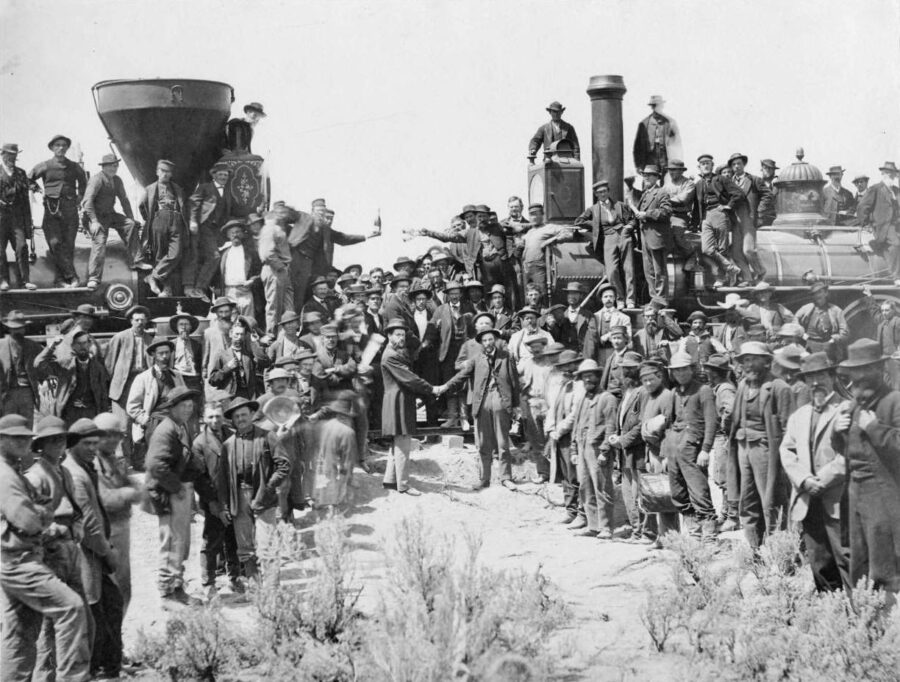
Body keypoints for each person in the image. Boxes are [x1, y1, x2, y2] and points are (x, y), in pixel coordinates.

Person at [0, 414, 91, 682]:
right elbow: (27, 519)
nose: (22, 443)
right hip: (19, 560)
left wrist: (39, 511)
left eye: (24, 438)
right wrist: (42, 514)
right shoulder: (7, 476)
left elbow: (38, 509)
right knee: (71, 608)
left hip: (18, 558)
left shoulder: (14, 471)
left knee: (19, 634)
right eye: (15, 438)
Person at [832, 339, 900, 598]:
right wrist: (837, 433)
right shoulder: (853, 404)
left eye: (866, 368)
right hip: (855, 494)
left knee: (885, 566)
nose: (859, 376)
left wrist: (874, 429)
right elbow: (846, 449)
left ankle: (888, 627)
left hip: (885, 497)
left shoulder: (894, 401)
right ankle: (862, 621)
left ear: (878, 369)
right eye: (855, 371)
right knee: (858, 562)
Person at [779, 352, 850, 592]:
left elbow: (852, 453)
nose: (816, 382)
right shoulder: (799, 416)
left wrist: (824, 479)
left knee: (846, 557)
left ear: (831, 375)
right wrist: (804, 480)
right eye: (810, 377)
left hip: (839, 498)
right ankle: (829, 611)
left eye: (820, 375)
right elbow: (787, 451)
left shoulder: (846, 409)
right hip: (808, 497)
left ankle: (858, 613)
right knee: (819, 560)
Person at [24, 416, 88, 681]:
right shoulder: (34, 477)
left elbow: (75, 507)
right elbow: (25, 522)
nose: (59, 445)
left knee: (76, 616)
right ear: (41, 445)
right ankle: (44, 676)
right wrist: (52, 532)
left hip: (70, 548)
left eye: (62, 440)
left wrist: (79, 526)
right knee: (48, 623)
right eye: (53, 441)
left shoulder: (64, 472)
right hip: (48, 551)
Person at [143, 386, 219, 606]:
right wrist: (176, 489)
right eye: (183, 405)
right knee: (171, 544)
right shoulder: (165, 430)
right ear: (172, 408)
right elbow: (155, 464)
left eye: (190, 405)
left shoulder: (180, 426)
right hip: (167, 494)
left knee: (180, 544)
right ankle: (168, 594)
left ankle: (177, 587)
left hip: (177, 491)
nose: (188, 409)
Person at [63, 418, 125, 679]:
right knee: (95, 612)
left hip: (94, 553)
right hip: (87, 555)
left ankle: (110, 665)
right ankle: (94, 668)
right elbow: (88, 523)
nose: (93, 448)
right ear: (73, 445)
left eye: (95, 443)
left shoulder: (85, 466)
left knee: (110, 605)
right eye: (87, 443)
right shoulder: (75, 474)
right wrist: (107, 551)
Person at [727, 341, 793, 549]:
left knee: (771, 501)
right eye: (746, 360)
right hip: (742, 448)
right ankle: (754, 551)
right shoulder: (742, 386)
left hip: (766, 450)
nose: (749, 365)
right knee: (747, 501)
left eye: (754, 359)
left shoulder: (778, 387)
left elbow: (788, 425)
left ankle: (779, 554)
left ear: (766, 362)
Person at [221, 397, 289, 588]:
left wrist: (269, 487)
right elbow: (222, 479)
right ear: (232, 420)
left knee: (267, 544)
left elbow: (283, 465)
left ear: (252, 415)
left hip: (263, 495)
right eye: (236, 416)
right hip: (239, 497)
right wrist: (225, 506)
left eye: (244, 414)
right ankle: (255, 588)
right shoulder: (228, 445)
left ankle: (273, 590)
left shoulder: (268, 437)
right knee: (245, 547)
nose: (241, 419)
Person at [445, 326, 520, 490]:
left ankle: (506, 477)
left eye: (490, 339)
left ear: (496, 340)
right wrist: (443, 387)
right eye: (484, 340)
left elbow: (514, 383)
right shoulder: (476, 359)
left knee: (503, 442)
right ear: (481, 343)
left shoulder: (506, 357)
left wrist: (515, 406)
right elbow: (460, 376)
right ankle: (484, 478)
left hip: (501, 401)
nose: (488, 343)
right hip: (482, 403)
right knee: (483, 443)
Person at [380, 319, 440, 495]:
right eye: (397, 335)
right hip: (397, 402)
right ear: (389, 336)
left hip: (399, 400)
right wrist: (431, 389)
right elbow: (410, 378)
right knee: (403, 443)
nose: (401, 338)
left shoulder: (394, 352)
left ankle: (390, 480)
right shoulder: (391, 356)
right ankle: (403, 485)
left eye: (403, 335)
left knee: (397, 443)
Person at [662, 352, 718, 542]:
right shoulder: (675, 393)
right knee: (678, 493)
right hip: (674, 447)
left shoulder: (704, 391)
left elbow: (711, 422)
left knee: (699, 491)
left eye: (684, 369)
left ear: (692, 369)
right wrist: (665, 453)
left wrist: (705, 449)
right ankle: (694, 534)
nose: (680, 373)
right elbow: (669, 423)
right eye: (676, 370)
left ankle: (709, 536)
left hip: (693, 448)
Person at [287, 199, 380, 309]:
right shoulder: (303, 217)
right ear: (312, 211)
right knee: (291, 292)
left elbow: (343, 238)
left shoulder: (325, 229)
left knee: (305, 296)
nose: (321, 213)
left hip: (312, 269)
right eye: (318, 211)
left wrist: (366, 236)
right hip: (295, 260)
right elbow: (283, 217)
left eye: (323, 211)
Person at [563, 359, 618, 540]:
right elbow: (576, 426)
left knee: (602, 488)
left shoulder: (607, 398)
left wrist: (605, 451)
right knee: (585, 488)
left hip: (597, 450)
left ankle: (606, 527)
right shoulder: (582, 400)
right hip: (582, 447)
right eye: (585, 377)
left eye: (591, 376)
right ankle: (593, 525)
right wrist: (573, 450)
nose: (588, 380)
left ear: (598, 376)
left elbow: (611, 428)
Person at [92, 413, 141, 614]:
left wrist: (131, 492)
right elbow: (107, 500)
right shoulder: (93, 464)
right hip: (106, 532)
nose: (113, 440)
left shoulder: (113, 460)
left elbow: (135, 489)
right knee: (111, 592)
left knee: (123, 588)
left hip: (121, 529)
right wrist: (130, 493)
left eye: (117, 435)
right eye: (107, 435)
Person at [192, 402, 240, 596]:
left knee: (233, 539)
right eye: (211, 416)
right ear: (204, 418)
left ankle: (235, 578)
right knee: (212, 541)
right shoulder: (200, 443)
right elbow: (200, 478)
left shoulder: (232, 435)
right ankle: (208, 582)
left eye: (218, 416)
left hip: (234, 497)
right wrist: (213, 504)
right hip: (213, 499)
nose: (215, 420)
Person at [29, 134, 87, 287]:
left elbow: (84, 183)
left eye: (63, 145)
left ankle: (60, 280)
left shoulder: (74, 166)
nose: (60, 148)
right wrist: (37, 189)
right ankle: (72, 277)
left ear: (67, 148)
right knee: (55, 243)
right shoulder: (45, 165)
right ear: (52, 148)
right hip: (51, 210)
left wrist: (79, 198)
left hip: (70, 211)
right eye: (57, 145)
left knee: (68, 245)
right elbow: (27, 179)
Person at [83, 154, 145, 290]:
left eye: (116, 165)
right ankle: (93, 278)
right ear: (103, 167)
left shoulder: (117, 180)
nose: (114, 168)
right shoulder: (96, 180)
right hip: (95, 217)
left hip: (109, 214)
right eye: (111, 166)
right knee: (99, 242)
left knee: (130, 225)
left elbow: (124, 200)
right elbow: (87, 202)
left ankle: (136, 260)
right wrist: (93, 221)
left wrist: (131, 217)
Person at [606, 355, 650, 543]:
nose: (626, 372)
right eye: (624, 369)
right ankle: (636, 530)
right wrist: (616, 437)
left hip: (638, 452)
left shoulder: (643, 393)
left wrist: (623, 440)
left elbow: (642, 425)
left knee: (640, 493)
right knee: (628, 493)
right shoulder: (627, 393)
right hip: (625, 454)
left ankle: (647, 532)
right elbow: (623, 421)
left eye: (631, 369)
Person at [574, 181, 636, 306]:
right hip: (608, 238)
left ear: (608, 191)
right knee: (612, 271)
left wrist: (629, 227)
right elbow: (579, 221)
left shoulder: (620, 205)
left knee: (629, 269)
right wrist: (595, 224)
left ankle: (630, 300)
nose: (602, 194)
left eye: (604, 191)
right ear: (596, 194)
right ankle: (619, 299)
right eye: (599, 192)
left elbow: (633, 219)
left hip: (624, 235)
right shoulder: (593, 209)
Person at [34, 330, 111, 424]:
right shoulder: (64, 365)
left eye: (84, 343)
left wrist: (103, 419)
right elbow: (38, 364)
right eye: (78, 344)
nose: (82, 347)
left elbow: (103, 395)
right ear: (73, 346)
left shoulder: (98, 368)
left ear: (89, 345)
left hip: (91, 413)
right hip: (69, 413)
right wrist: (52, 346)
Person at [545, 350, 586, 527]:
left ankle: (582, 513)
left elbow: (574, 413)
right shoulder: (562, 385)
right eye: (563, 367)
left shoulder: (580, 386)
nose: (566, 370)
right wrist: (550, 429)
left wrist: (560, 430)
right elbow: (552, 409)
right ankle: (570, 510)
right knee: (565, 474)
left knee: (576, 474)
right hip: (559, 436)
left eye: (569, 366)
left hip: (573, 435)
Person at [139, 159, 189, 297]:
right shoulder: (150, 189)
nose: (165, 174)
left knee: (175, 253)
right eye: (163, 171)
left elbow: (184, 207)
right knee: (160, 255)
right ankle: (166, 289)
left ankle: (153, 276)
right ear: (157, 172)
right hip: (159, 220)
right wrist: (153, 220)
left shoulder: (177, 189)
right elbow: (142, 206)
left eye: (169, 172)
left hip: (176, 221)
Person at [127, 338, 187, 451]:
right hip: (154, 424)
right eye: (161, 353)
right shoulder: (143, 378)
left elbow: (184, 399)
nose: (165, 356)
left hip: (175, 423)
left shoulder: (177, 376)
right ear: (154, 355)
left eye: (167, 353)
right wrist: (147, 421)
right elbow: (132, 406)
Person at [693, 153, 743, 287]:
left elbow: (738, 193)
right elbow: (696, 206)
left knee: (722, 248)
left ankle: (721, 278)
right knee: (707, 249)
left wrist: (728, 206)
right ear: (699, 167)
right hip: (705, 216)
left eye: (708, 163)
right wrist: (694, 223)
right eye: (703, 164)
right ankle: (731, 268)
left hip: (719, 213)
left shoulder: (721, 179)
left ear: (712, 165)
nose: (705, 166)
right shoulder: (698, 184)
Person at [186, 162, 233, 301]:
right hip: (203, 226)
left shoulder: (227, 192)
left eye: (225, 174)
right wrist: (193, 221)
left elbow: (235, 208)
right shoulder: (205, 187)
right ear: (214, 175)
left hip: (216, 231)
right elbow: (194, 203)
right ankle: (199, 288)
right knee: (214, 257)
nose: (223, 177)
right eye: (221, 174)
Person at [703, 354, 738, 529]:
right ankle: (726, 514)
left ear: (715, 372)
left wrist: (725, 427)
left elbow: (730, 410)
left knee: (726, 476)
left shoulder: (724, 389)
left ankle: (733, 516)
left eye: (708, 369)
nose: (705, 372)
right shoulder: (718, 387)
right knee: (721, 476)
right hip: (721, 436)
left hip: (724, 437)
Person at [728, 152, 771, 284]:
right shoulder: (728, 182)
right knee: (736, 254)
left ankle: (761, 271)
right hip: (735, 220)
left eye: (739, 163)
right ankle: (747, 278)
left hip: (748, 218)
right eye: (734, 164)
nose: (736, 166)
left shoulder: (754, 180)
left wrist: (760, 212)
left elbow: (767, 195)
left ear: (744, 164)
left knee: (748, 250)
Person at [310, 396, 357, 510]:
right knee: (337, 470)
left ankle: (320, 499)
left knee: (322, 469)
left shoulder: (320, 425)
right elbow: (347, 460)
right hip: (333, 457)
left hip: (321, 456)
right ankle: (334, 500)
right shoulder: (347, 431)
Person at [633, 165, 673, 300]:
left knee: (659, 271)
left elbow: (666, 212)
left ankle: (661, 299)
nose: (647, 177)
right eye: (645, 175)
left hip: (656, 237)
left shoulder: (662, 192)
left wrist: (647, 214)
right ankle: (654, 299)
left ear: (657, 178)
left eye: (650, 175)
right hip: (645, 237)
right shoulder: (645, 193)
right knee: (648, 271)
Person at [0, 142, 36, 290]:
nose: (12, 158)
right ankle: (3, 281)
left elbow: (25, 200)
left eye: (14, 155)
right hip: (0, 217)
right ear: (2, 155)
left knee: (21, 246)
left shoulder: (21, 173)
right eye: (9, 154)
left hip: (16, 218)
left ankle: (25, 281)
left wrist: (28, 223)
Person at [857, 161, 900, 284]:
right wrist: (865, 224)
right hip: (883, 226)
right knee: (896, 244)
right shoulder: (875, 189)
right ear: (883, 174)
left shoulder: (897, 191)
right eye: (887, 173)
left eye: (892, 174)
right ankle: (896, 276)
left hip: (897, 225)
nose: (890, 176)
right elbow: (862, 207)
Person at [0, 310, 42, 424]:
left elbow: (46, 364)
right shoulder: (1, 345)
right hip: (7, 392)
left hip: (27, 392)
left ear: (24, 328)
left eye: (20, 328)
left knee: (26, 424)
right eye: (14, 328)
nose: (17, 331)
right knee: (7, 425)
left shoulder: (34, 346)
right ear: (8, 328)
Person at [258, 205, 295, 335]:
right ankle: (272, 335)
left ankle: (286, 334)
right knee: (274, 305)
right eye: (283, 213)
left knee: (287, 305)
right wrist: (281, 267)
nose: (286, 216)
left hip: (282, 270)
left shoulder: (278, 228)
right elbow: (267, 253)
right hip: (275, 270)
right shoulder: (270, 228)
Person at [520, 203, 575, 289]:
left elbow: (568, 233)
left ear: (542, 214)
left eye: (536, 214)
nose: (533, 217)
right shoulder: (529, 232)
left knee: (541, 293)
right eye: (531, 215)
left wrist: (552, 240)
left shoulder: (549, 227)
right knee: (528, 296)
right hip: (526, 268)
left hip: (539, 267)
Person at [795, 281, 849, 362]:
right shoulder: (806, 309)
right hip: (810, 345)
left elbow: (844, 330)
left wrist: (835, 339)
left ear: (826, 293)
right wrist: (802, 334)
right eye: (814, 294)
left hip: (829, 345)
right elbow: (794, 321)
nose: (817, 295)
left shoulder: (835, 310)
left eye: (820, 292)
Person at [218, 219, 261, 318]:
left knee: (247, 322)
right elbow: (217, 274)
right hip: (228, 292)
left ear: (242, 234)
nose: (235, 235)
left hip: (245, 291)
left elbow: (260, 271)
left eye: (237, 232)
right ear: (228, 236)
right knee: (229, 321)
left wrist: (252, 280)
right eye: (232, 233)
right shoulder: (223, 253)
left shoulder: (251, 253)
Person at [209, 321, 261, 399]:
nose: (239, 337)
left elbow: (264, 363)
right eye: (236, 334)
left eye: (241, 334)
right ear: (230, 334)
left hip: (248, 395)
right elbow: (212, 381)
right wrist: (226, 368)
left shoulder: (249, 354)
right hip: (229, 396)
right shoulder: (222, 355)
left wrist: (255, 342)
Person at [583, 284, 631, 367]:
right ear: (601, 299)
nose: (608, 299)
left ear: (615, 298)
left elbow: (628, 337)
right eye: (605, 297)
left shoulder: (624, 317)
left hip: (615, 352)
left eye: (611, 296)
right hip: (599, 352)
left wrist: (610, 335)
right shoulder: (595, 316)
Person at [663, 160, 696, 258]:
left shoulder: (688, 183)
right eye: (670, 170)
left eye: (674, 170)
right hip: (667, 215)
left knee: (677, 235)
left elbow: (683, 199)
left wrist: (665, 200)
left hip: (680, 215)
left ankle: (692, 254)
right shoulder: (667, 184)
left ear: (681, 171)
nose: (671, 172)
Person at [863, 285, 900, 355]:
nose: (884, 313)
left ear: (893, 310)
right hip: (883, 355)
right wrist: (869, 295)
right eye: (882, 310)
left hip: (895, 355)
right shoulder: (882, 320)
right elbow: (874, 310)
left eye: (887, 310)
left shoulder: (898, 321)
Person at [556, 282, 592, 353]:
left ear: (581, 295)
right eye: (570, 293)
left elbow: (592, 339)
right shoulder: (561, 315)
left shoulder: (589, 316)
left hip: (582, 354)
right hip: (565, 355)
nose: (571, 296)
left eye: (575, 293)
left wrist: (588, 356)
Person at [758, 159, 779, 226]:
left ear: (774, 170)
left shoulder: (778, 183)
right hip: (762, 217)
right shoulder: (758, 183)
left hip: (775, 216)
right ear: (762, 169)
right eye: (765, 168)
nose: (768, 170)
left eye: (770, 168)